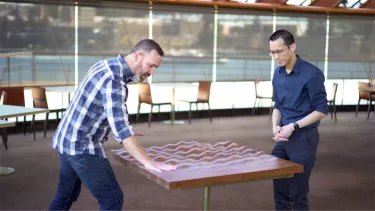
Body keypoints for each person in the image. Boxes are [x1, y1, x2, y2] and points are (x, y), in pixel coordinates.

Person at [48, 39, 177, 211]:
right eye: (150, 65)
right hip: (81, 146)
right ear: (138, 56)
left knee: (65, 195)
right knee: (112, 199)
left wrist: (126, 130)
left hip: (66, 140)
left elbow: (105, 111)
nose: (152, 72)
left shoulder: (106, 65)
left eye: (156, 68)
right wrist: (148, 162)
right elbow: (121, 129)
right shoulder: (113, 79)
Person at [269, 29, 328, 210]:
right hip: (284, 138)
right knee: (279, 188)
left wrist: (293, 126)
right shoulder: (278, 73)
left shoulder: (312, 74)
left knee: (298, 193)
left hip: (304, 138)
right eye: (272, 52)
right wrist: (275, 127)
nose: (276, 57)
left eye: (279, 51)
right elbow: (277, 105)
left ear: (292, 47)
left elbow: (322, 110)